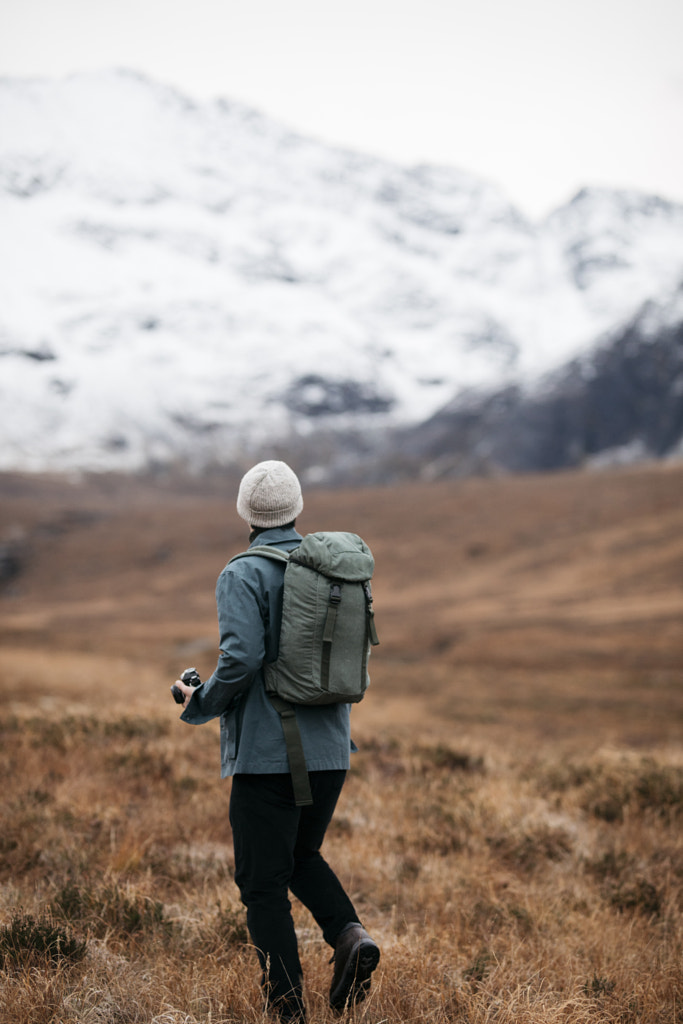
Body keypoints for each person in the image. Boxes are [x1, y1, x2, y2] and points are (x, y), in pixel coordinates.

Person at [173, 460, 380, 1023]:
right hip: (332, 752)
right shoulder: (330, 568)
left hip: (271, 758)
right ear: (297, 508)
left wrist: (200, 704)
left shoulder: (242, 573)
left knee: (261, 885)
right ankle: (350, 936)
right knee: (299, 855)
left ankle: (288, 1011)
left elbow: (240, 660)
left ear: (246, 512)